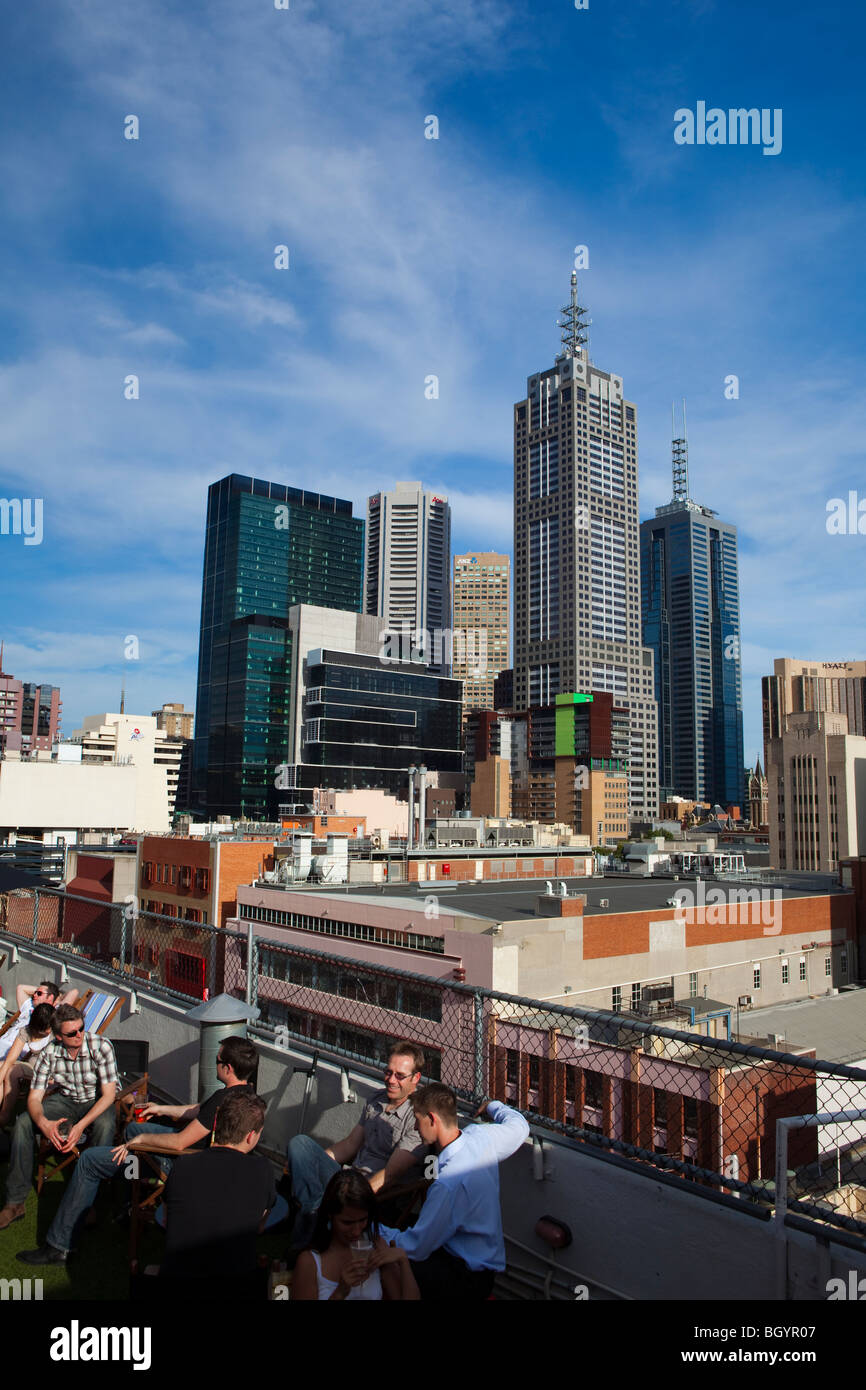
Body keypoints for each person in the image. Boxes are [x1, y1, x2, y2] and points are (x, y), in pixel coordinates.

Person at [15, 1034, 260, 1265]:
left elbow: (179, 1143)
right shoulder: (247, 1098)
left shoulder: (222, 1100)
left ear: (227, 1068)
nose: (215, 1064)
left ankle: (59, 1246)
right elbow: (200, 1111)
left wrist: (141, 1139)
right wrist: (162, 1109)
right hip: (207, 1162)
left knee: (90, 1159)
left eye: (217, 1060)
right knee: (131, 1130)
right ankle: (126, 1205)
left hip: (180, 1163)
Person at [378, 1085, 529, 1301]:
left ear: (432, 1119)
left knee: (384, 1266)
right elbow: (520, 1126)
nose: (415, 1126)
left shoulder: (448, 1183)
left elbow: (416, 1247)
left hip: (464, 1279)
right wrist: (494, 1106)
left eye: (417, 1119)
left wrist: (374, 1230)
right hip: (482, 1270)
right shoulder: (480, 1136)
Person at [287, 1040, 426, 1235]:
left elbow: (391, 1175)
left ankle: (310, 1224)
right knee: (299, 1144)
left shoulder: (418, 1117)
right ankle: (314, 1210)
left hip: (376, 1194)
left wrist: (353, 1196)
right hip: (348, 1178)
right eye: (388, 1072)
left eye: (400, 1076)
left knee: (313, 1197)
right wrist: (316, 1162)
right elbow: (350, 1145)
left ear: (415, 1078)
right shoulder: (376, 1099)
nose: (391, 1080)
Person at [0, 1004, 117, 1232]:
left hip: (96, 1099)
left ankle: (90, 1203)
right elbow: (34, 1098)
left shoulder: (101, 1046)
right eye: (72, 1033)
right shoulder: (50, 1053)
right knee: (24, 1122)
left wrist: (81, 1126)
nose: (79, 1035)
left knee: (105, 1124)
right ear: (58, 1036)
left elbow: (109, 1095)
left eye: (81, 1029)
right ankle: (15, 1202)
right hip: (65, 1100)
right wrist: (44, 1123)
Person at [158, 1089, 276, 1298]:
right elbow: (258, 1225)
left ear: (215, 1125)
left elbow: (168, 1219)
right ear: (251, 1136)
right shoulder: (262, 1170)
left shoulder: (183, 1165)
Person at [292, 1169, 419, 1301]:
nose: (357, 1231)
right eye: (347, 1223)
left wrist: (403, 1261)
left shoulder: (376, 1246)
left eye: (363, 1220)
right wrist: (340, 1292)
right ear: (330, 1216)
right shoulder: (310, 1262)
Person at [0, 1002, 56, 1127]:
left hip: (49, 1074)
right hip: (31, 1067)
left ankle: (5, 1116)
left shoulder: (56, 1034)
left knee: (13, 1071)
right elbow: (9, 1060)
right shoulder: (27, 1030)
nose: (46, 1031)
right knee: (2, 1065)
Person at [0, 980, 77, 1062]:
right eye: (35, 993)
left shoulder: (54, 1013)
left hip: (17, 1050)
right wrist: (42, 991)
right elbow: (20, 988)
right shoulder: (29, 1006)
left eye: (39, 993)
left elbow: (74, 992)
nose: (34, 995)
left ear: (50, 997)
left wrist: (57, 996)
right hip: (2, 1042)